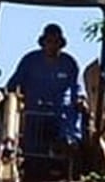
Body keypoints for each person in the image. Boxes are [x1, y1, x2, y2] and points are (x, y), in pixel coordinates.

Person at [6, 23, 90, 152]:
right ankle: (19, 151)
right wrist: (9, 96)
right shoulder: (30, 61)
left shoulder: (69, 63)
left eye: (56, 42)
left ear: (61, 44)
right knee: (29, 126)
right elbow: (13, 84)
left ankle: (69, 141)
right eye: (49, 41)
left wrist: (80, 99)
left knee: (72, 112)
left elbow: (77, 88)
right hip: (33, 111)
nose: (52, 46)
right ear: (43, 43)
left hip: (60, 112)